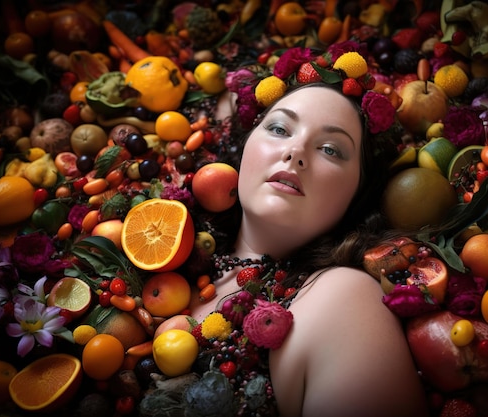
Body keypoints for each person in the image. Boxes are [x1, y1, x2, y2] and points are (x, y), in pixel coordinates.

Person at [173, 42, 429, 417]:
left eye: (330, 149)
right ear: (244, 148)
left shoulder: (342, 297)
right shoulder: (170, 242)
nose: (296, 152)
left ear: (357, 193)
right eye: (279, 128)